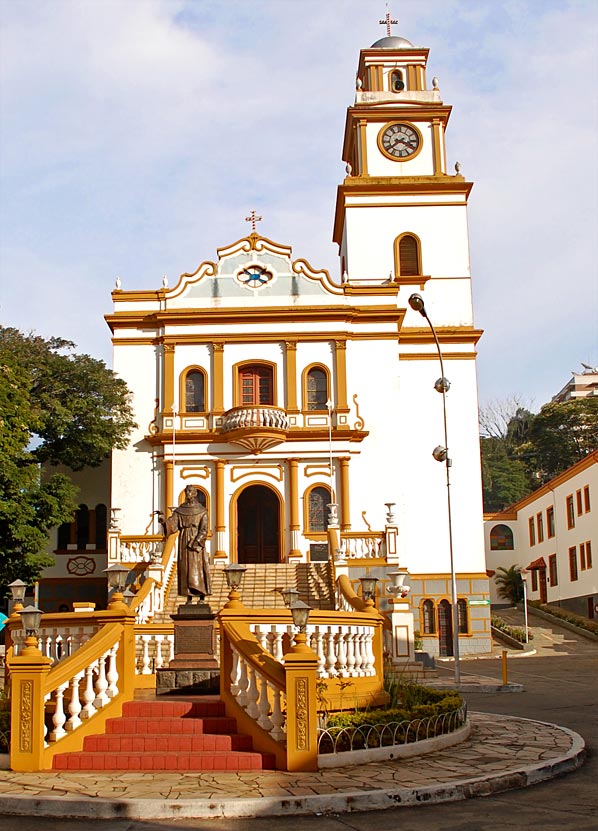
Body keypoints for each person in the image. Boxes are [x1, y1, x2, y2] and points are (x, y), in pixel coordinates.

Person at [162, 485, 210, 602]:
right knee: (185, 568)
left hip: (195, 541)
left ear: (195, 493)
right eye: (187, 491)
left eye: (190, 491)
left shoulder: (202, 511)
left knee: (198, 568)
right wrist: (164, 522)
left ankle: (201, 595)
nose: (188, 493)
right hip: (184, 541)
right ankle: (189, 596)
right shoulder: (180, 510)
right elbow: (173, 525)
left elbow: (204, 529)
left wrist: (197, 541)